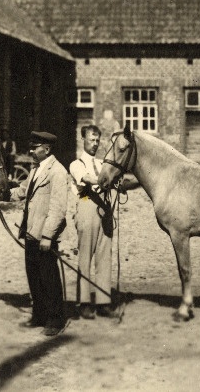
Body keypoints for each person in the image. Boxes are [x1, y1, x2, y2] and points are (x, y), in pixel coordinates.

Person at [0, 131, 69, 336]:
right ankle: (39, 315)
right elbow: (22, 192)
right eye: (31, 147)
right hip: (31, 232)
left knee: (49, 278)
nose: (31, 151)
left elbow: (58, 209)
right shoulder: (36, 169)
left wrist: (48, 236)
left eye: (35, 147)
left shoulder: (58, 172)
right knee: (34, 276)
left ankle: (55, 319)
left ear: (47, 149)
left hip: (44, 235)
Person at [68, 125, 114, 319]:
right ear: (83, 141)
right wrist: (105, 180)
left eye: (97, 141)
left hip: (104, 210)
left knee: (104, 256)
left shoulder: (103, 163)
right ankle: (84, 302)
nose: (95, 144)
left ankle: (103, 302)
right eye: (91, 140)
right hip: (86, 206)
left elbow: (113, 178)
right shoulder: (76, 164)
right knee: (85, 256)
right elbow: (87, 179)